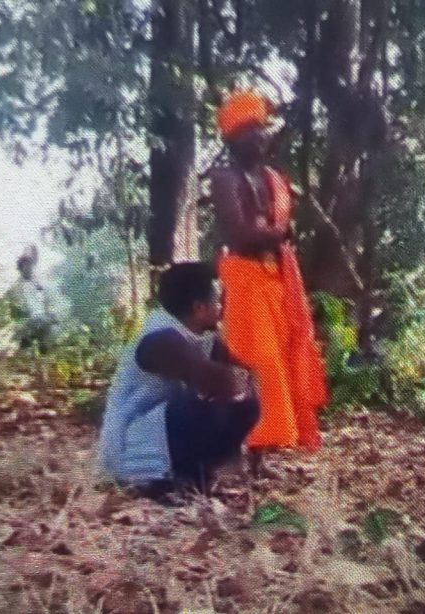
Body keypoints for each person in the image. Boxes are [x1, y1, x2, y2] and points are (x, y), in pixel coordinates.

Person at [207, 90, 329, 477]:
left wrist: (275, 235)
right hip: (244, 278)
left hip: (275, 278)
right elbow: (240, 234)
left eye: (262, 129)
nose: (260, 137)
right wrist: (280, 234)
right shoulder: (223, 179)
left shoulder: (273, 179)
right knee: (257, 361)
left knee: (280, 360)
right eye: (250, 130)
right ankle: (233, 452)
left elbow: (270, 231)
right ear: (232, 138)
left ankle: (260, 457)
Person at [96, 262, 259, 501]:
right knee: (199, 406)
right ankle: (160, 482)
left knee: (245, 406)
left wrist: (243, 379)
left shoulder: (202, 336)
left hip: (162, 431)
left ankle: (194, 477)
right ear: (199, 308)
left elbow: (244, 379)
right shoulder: (160, 338)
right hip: (131, 444)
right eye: (217, 300)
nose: (222, 306)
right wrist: (241, 378)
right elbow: (215, 379)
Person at [5, 245, 55, 353]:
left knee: (47, 326)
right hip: (23, 324)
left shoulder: (39, 282)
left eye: (30, 264)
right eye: (25, 264)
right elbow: (11, 309)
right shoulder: (15, 287)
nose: (28, 267)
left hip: (39, 321)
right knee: (24, 346)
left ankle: (43, 346)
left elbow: (47, 301)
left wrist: (50, 314)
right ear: (21, 266)